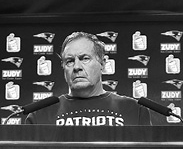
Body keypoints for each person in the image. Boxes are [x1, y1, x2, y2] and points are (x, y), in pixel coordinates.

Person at [25, 31, 154, 126]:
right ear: (63, 67)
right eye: (69, 61)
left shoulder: (135, 110)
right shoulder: (39, 116)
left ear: (102, 63)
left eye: (85, 59)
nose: (76, 67)